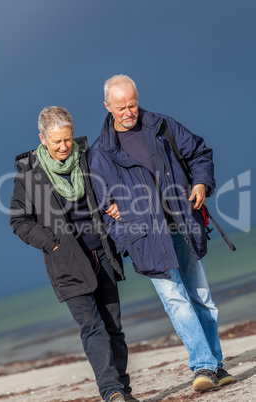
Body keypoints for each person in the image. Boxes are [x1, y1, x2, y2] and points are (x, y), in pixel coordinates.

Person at [88, 75, 235, 392]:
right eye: (121, 107)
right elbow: (103, 207)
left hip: (181, 223)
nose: (129, 112)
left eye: (132, 104)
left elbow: (199, 151)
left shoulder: (161, 126)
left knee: (202, 298)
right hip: (146, 238)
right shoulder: (100, 154)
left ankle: (215, 365)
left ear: (137, 98)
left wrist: (200, 183)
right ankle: (204, 366)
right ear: (107, 107)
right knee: (175, 300)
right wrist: (128, 241)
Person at [9, 106, 139, 402]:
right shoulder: (29, 177)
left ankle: (124, 392)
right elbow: (19, 221)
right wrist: (52, 243)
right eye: (56, 142)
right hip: (66, 263)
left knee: (113, 328)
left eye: (67, 139)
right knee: (92, 328)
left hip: (102, 253)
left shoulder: (88, 158)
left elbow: (111, 187)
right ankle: (112, 393)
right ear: (42, 139)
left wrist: (115, 203)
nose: (64, 147)